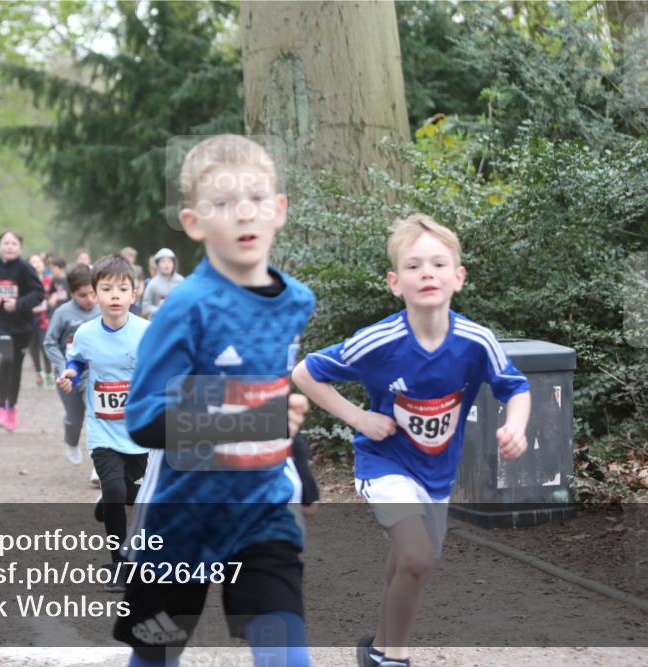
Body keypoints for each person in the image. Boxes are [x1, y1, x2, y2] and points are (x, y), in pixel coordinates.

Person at [291, 214, 532, 667]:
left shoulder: (476, 342)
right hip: (384, 464)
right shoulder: (379, 341)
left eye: (439, 264)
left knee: (413, 562)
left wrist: (515, 425)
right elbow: (306, 372)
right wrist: (359, 417)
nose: (427, 273)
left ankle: (377, 648)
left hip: (437, 475)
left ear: (458, 277)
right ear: (394, 282)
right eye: (414, 265)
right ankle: (393, 658)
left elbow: (515, 387)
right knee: (417, 557)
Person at [118, 134, 317, 666]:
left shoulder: (297, 300)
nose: (243, 214)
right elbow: (142, 420)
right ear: (194, 222)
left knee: (286, 657)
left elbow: (271, 388)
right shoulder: (187, 306)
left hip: (263, 514)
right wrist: (250, 419)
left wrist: (300, 464)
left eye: (255, 199)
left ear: (278, 211)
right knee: (156, 656)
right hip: (181, 518)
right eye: (224, 205)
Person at [56, 255, 150, 591]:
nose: (114, 295)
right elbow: (77, 361)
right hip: (103, 429)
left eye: (122, 289)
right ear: (94, 294)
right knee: (113, 490)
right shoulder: (85, 333)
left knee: (137, 498)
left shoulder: (146, 332)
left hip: (140, 432)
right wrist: (70, 373)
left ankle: (113, 510)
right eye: (106, 288)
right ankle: (119, 564)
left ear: (133, 294)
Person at [0, 231, 45, 432]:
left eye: (14, 244)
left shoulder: (25, 268)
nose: (10, 247)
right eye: (6, 243)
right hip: (1, 323)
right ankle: (1, 406)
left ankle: (12, 407)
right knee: (6, 359)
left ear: (20, 247)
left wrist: (19, 303)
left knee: (16, 367)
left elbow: (39, 293)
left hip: (23, 326)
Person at [44, 262, 100, 465]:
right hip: (67, 375)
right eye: (83, 295)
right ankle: (71, 440)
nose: (90, 300)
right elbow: (49, 343)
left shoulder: (102, 310)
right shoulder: (62, 313)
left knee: (97, 415)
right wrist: (62, 366)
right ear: (71, 293)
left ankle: (99, 464)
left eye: (93, 293)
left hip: (93, 374)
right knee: (74, 418)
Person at [28, 253, 54, 387]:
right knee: (33, 347)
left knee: (45, 346)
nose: (36, 264)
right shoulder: (25, 282)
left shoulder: (49, 281)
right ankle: (39, 373)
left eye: (39, 261)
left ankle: (49, 374)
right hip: (29, 319)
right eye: (33, 261)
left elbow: (57, 296)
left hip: (44, 318)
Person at [140, 247, 183, 319]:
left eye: (169, 261)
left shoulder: (181, 281)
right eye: (163, 261)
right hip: (157, 321)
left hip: (177, 321)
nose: (166, 264)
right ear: (157, 264)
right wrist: (160, 310)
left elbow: (187, 302)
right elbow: (145, 307)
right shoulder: (153, 283)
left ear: (174, 263)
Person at [120, 247, 145, 315]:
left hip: (135, 298)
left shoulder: (138, 269)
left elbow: (141, 282)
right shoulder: (118, 269)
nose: (129, 258)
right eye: (126, 256)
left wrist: (138, 293)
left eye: (131, 256)